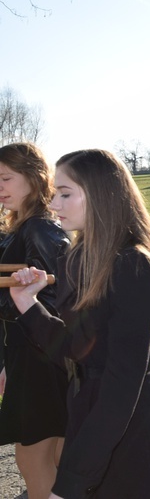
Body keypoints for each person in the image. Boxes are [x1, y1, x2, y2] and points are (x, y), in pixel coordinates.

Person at [9, 149, 150, 498]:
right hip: (88, 420)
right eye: (56, 194)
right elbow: (74, 349)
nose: (54, 204)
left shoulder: (134, 265)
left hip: (132, 436)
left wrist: (71, 482)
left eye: (65, 193)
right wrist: (29, 304)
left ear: (102, 193)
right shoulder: (77, 258)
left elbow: (122, 382)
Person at [0, 143, 69, 499]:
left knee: (35, 456)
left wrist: (12, 303)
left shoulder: (40, 229)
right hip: (28, 354)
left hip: (42, 358)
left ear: (33, 177)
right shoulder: (22, 227)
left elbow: (58, 302)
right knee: (51, 453)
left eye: (5, 178)